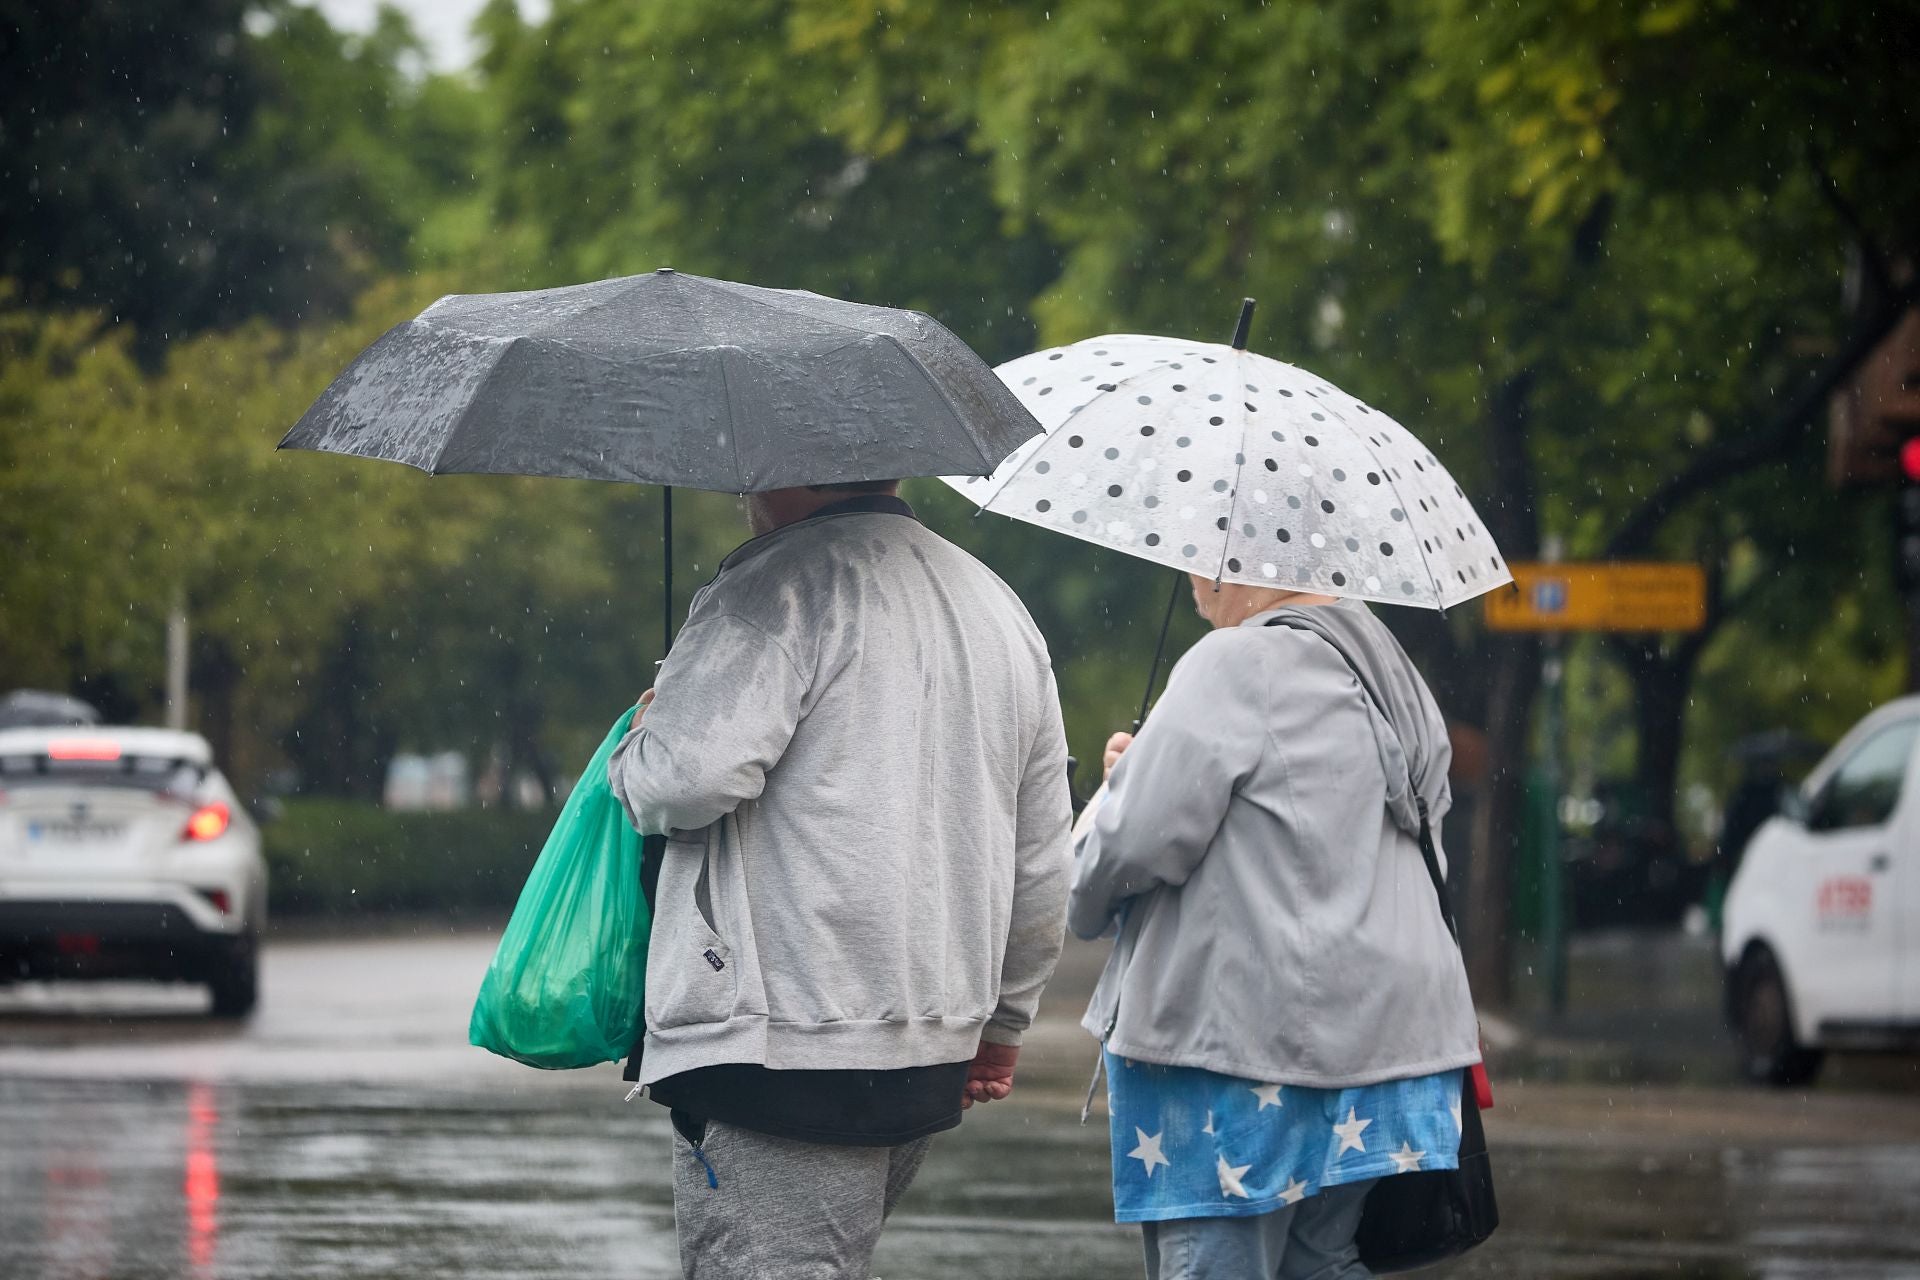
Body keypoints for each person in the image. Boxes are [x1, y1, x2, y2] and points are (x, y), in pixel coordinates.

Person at [609, 479, 1072, 1280]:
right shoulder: (999, 607)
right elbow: (1041, 856)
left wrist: (642, 741)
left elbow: (682, 785)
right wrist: (1004, 1022)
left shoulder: (772, 585)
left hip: (782, 1038)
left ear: (796, 462)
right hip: (931, 1041)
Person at [1072, 576, 1480, 1280]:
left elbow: (1128, 849)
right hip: (1392, 1048)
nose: (1193, 573)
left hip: (1245, 1048)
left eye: (1204, 550)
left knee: (1217, 1264)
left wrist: (1111, 802)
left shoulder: (1231, 662)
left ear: (1250, 553)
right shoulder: (1395, 675)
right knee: (1321, 1263)